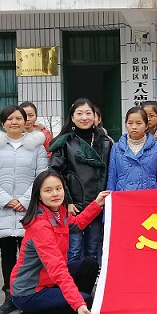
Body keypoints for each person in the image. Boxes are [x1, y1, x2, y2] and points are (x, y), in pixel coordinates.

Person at [10, 169, 111, 314]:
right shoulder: (41, 226)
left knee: (89, 265)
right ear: (39, 195)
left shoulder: (59, 213)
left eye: (58, 188)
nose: (55, 194)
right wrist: (78, 303)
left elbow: (77, 224)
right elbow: (57, 268)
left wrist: (97, 203)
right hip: (28, 291)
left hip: (48, 280)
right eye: (48, 190)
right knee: (85, 301)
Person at [0, 105, 48, 314]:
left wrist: (25, 200)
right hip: (3, 210)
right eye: (9, 119)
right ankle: (10, 295)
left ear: (25, 121)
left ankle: (28, 294)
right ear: (3, 123)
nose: (14, 122)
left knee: (30, 255)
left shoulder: (37, 146)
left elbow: (42, 176)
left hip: (29, 210)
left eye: (18, 118)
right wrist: (7, 200)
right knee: (7, 255)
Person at [49, 99, 113, 266]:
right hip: (73, 206)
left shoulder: (105, 142)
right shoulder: (64, 142)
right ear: (72, 117)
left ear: (95, 116)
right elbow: (54, 173)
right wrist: (67, 201)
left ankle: (92, 281)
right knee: (74, 250)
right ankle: (72, 282)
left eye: (88, 113)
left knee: (94, 249)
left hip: (98, 204)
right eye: (79, 113)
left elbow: (111, 172)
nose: (84, 117)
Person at [107, 106, 157, 192]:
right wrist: (110, 197)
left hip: (149, 196)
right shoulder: (116, 148)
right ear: (125, 124)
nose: (134, 127)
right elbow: (112, 178)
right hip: (124, 197)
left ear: (146, 126)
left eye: (138, 123)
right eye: (130, 123)